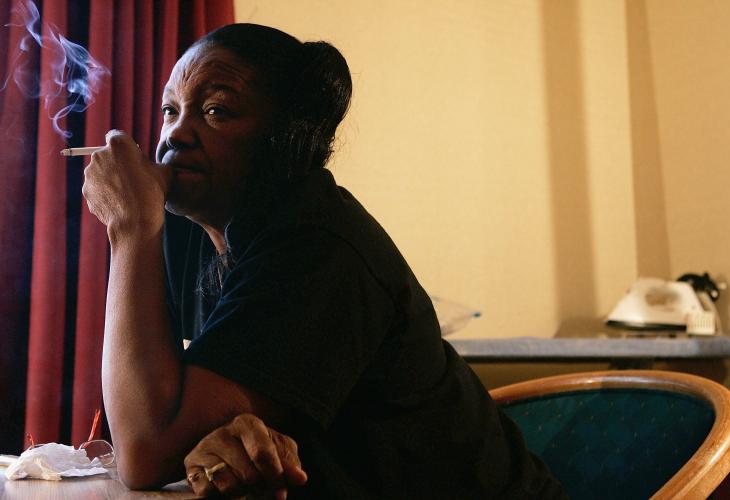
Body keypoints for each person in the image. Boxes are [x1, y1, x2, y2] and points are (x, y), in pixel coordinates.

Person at [82, 23, 566, 499]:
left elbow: (145, 450)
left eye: (216, 111)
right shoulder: (193, 228)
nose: (176, 134)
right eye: (170, 109)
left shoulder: (317, 244)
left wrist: (129, 230)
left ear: (284, 138)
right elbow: (169, 426)